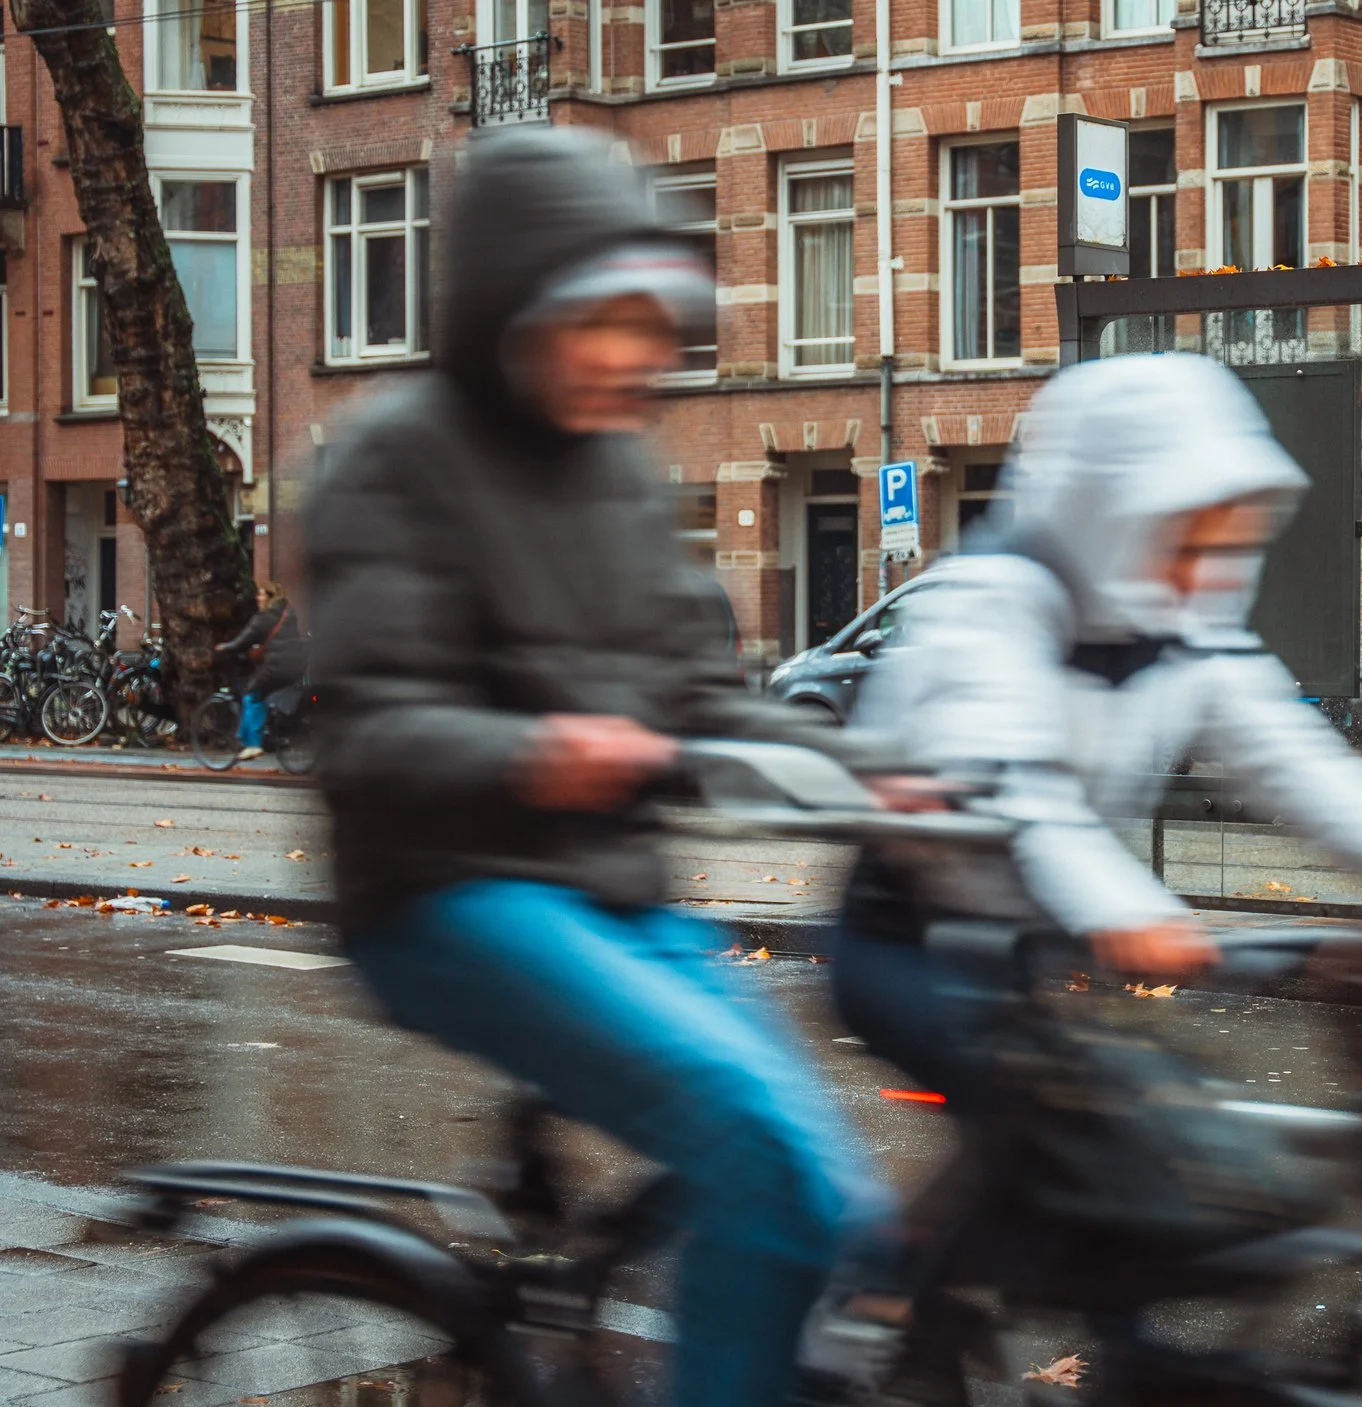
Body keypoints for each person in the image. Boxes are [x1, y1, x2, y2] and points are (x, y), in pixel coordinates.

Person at [306, 128, 888, 1407]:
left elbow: (699, 700)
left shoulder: (621, 471)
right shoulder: (394, 456)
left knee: (838, 1199)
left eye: (648, 324)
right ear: (518, 305)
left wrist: (884, 773)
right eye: (603, 323)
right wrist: (540, 752)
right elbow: (363, 734)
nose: (636, 359)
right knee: (758, 1150)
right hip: (447, 897)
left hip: (614, 895)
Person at [838, 352, 1362, 1106]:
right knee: (1093, 1141)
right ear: (1115, 516)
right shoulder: (996, 604)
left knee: (1137, 1140)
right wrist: (1123, 907)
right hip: (914, 943)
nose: (1202, 574)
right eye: (1181, 541)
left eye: (1219, 545)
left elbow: (1289, 757)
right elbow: (1015, 788)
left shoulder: (1178, 627)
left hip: (1034, 940)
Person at [212, 582, 308, 761]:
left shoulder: (265, 618)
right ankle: (273, 729)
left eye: (261, 594)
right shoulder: (288, 613)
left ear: (270, 597)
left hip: (276, 665)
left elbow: (244, 639)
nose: (258, 598)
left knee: (252, 695)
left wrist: (225, 648)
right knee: (266, 694)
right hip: (296, 665)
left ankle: (253, 744)